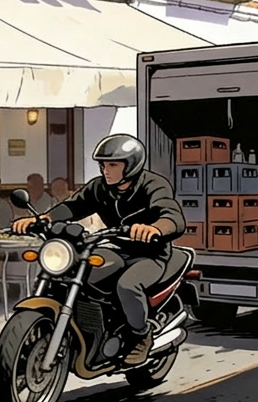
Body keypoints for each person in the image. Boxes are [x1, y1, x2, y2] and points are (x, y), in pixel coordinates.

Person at [12, 134, 186, 366]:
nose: (106, 170)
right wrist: (45, 218)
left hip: (150, 254)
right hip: (116, 247)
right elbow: (75, 206)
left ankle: (140, 335)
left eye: (113, 164)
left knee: (127, 285)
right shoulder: (100, 187)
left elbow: (172, 215)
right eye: (103, 165)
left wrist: (154, 229)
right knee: (78, 272)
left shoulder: (153, 184)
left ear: (131, 165)